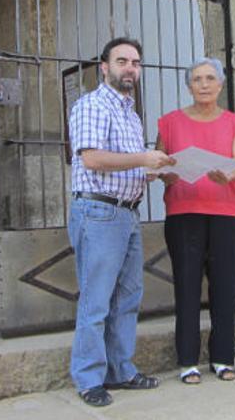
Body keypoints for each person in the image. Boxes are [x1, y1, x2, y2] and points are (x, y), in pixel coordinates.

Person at [68, 37, 175, 407]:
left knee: (128, 298)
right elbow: (94, 160)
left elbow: (127, 165)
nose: (130, 68)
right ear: (104, 67)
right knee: (96, 300)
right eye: (122, 61)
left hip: (127, 213)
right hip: (99, 213)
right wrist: (143, 158)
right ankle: (88, 378)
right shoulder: (92, 105)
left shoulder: (130, 113)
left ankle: (120, 369)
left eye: (135, 62)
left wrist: (154, 169)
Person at [156, 57, 235, 385]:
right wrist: (166, 174)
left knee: (223, 286)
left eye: (210, 78)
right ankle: (187, 361)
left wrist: (228, 173)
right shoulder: (168, 123)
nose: (204, 84)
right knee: (187, 285)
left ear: (221, 84)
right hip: (183, 212)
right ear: (189, 85)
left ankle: (223, 358)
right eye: (197, 79)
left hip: (226, 211)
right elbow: (161, 164)